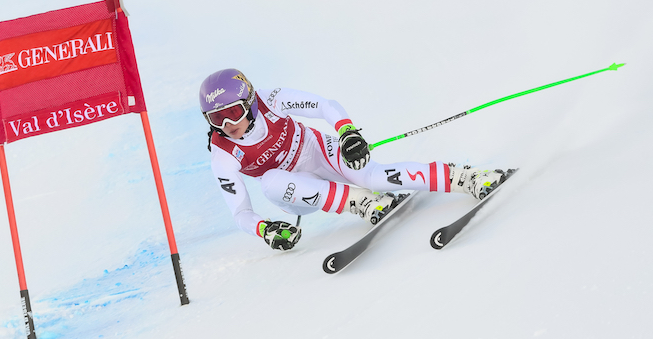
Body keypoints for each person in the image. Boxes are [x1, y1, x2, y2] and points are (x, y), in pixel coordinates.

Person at [200, 68, 509, 251]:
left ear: (251, 103)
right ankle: (363, 203)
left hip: (316, 150)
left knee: (371, 176)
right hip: (293, 192)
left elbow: (324, 105)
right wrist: (265, 229)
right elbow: (240, 213)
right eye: (216, 118)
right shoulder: (223, 154)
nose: (228, 125)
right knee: (269, 181)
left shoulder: (271, 99)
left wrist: (346, 132)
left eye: (233, 113)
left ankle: (468, 178)